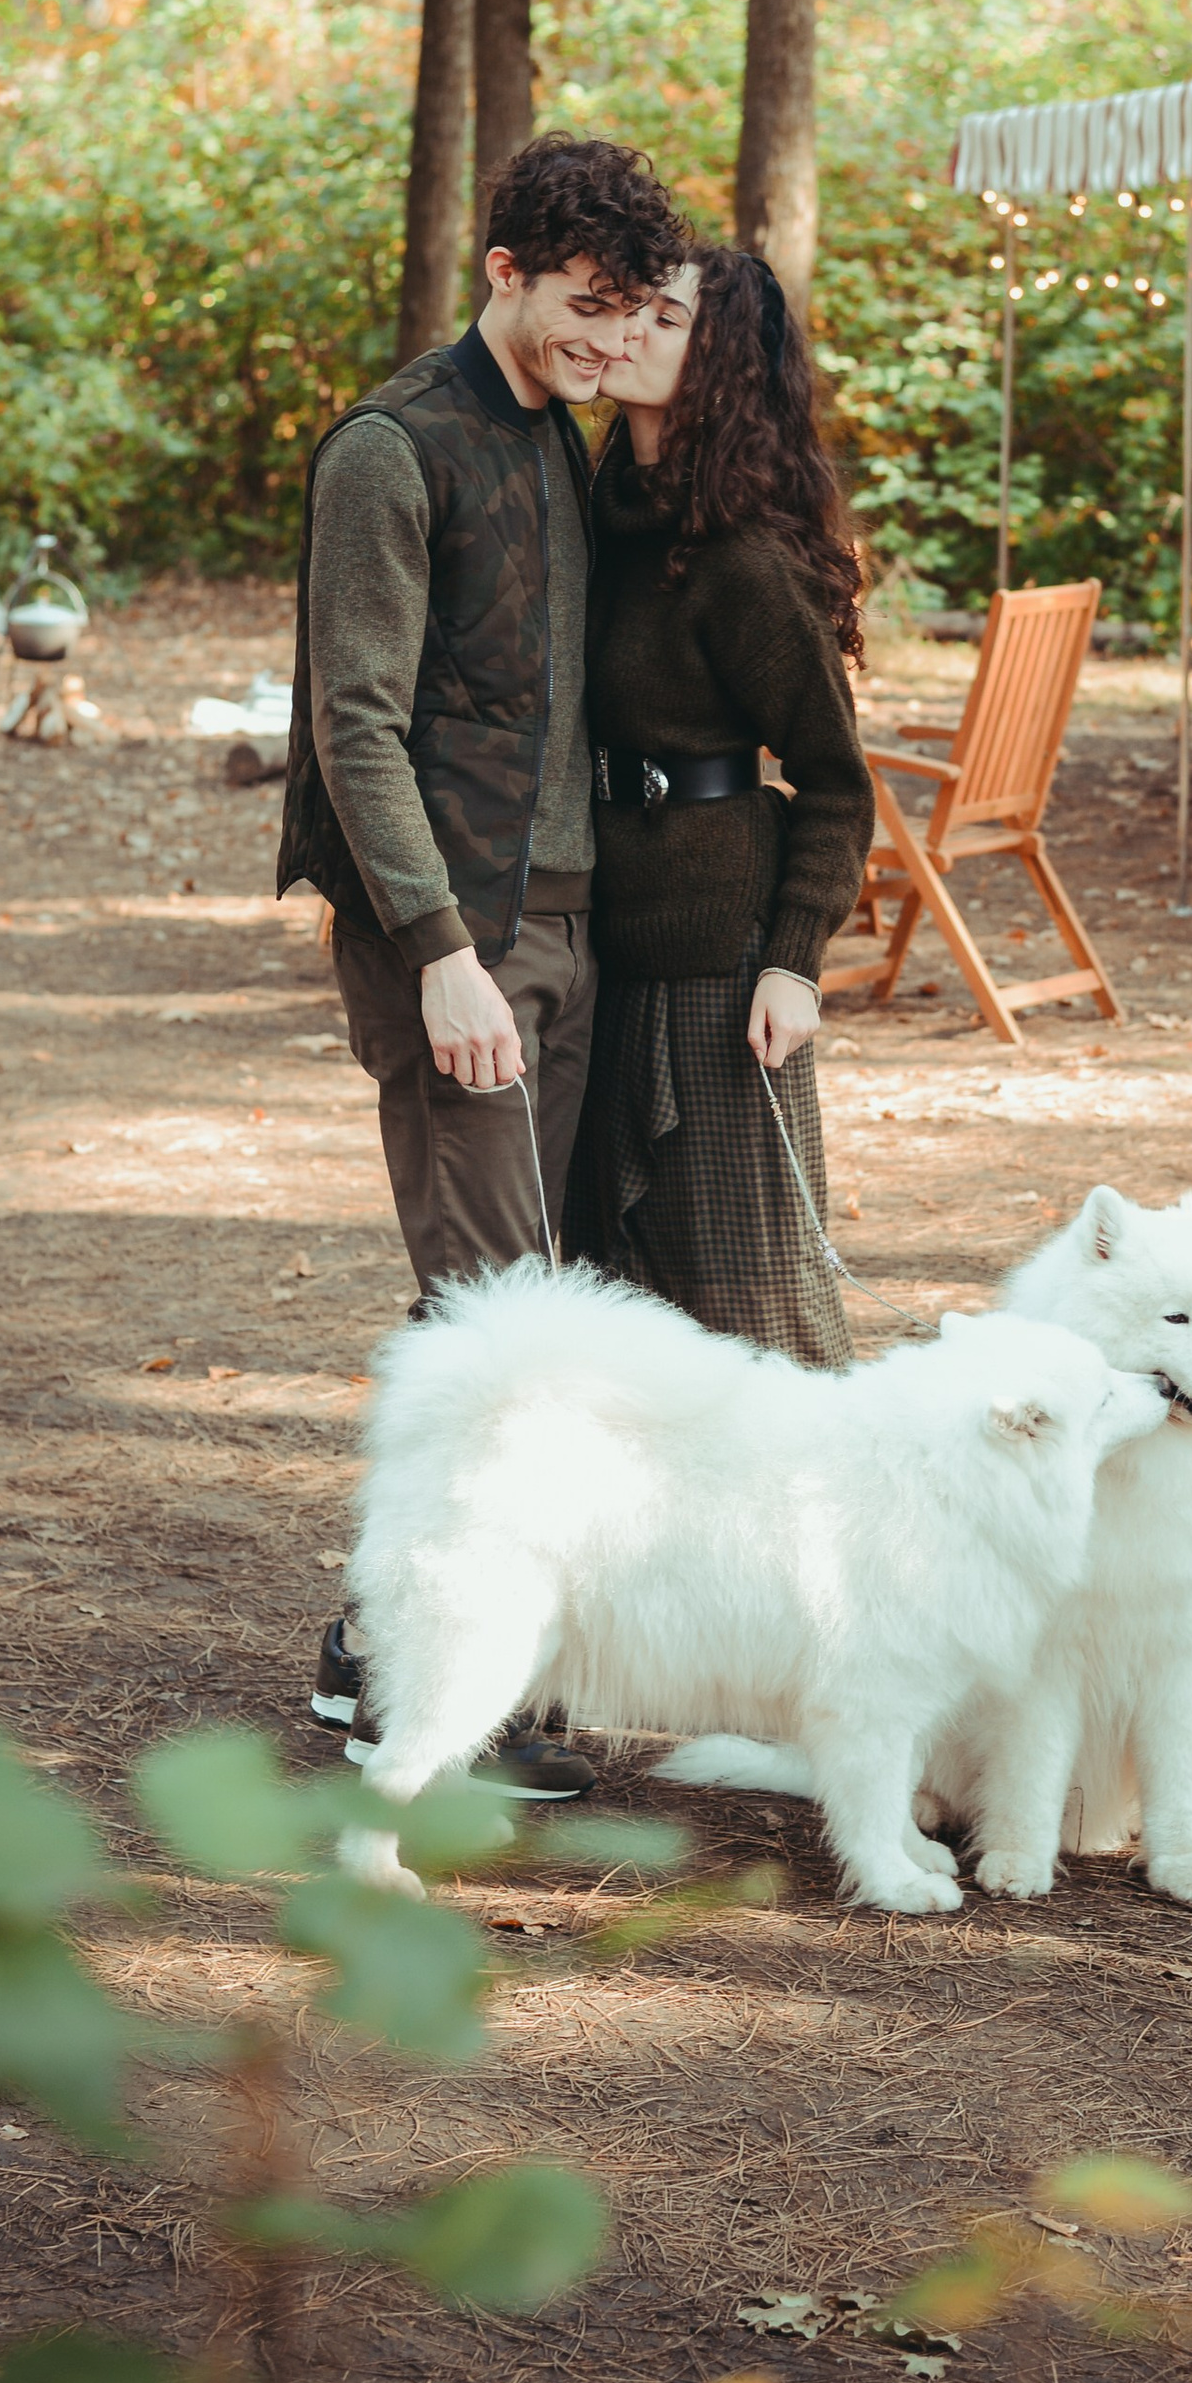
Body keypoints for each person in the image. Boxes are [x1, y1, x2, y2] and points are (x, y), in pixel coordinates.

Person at [278, 132, 693, 1792]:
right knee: (501, 1316)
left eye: (631, 315)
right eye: (583, 310)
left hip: (571, 925)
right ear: (503, 272)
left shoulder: (569, 440)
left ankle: (372, 1646)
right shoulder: (393, 449)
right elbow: (355, 725)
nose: (607, 344)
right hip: (453, 939)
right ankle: (449, 1700)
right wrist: (440, 950)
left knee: (497, 1297)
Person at [567, 241, 874, 1367]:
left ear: (723, 364)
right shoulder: (592, 513)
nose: (629, 330)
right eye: (630, 307)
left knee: (753, 1289)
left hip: (723, 961)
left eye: (665, 318)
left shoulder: (745, 559)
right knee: (620, 1286)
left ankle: (833, 1473)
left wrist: (795, 962)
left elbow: (836, 781)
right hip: (601, 940)